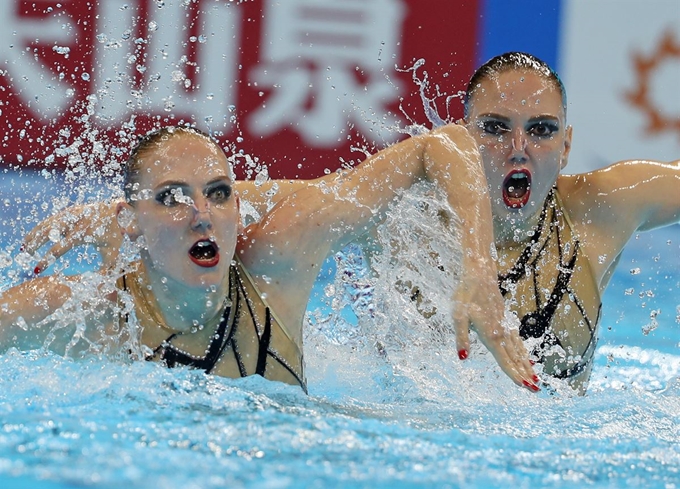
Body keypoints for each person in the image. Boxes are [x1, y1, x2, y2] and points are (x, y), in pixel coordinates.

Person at [22, 52, 680, 394]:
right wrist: (143, 211)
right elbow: (307, 195)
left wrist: (476, 272)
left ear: (566, 147)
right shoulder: (408, 219)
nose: (518, 149)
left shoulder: (607, 204)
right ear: (469, 132)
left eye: (540, 132)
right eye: (496, 129)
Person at [0, 124, 539, 393]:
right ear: (129, 221)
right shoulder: (86, 315)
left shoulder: (276, 264)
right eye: (172, 197)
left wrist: (479, 273)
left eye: (217, 192)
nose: (202, 215)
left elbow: (441, 146)